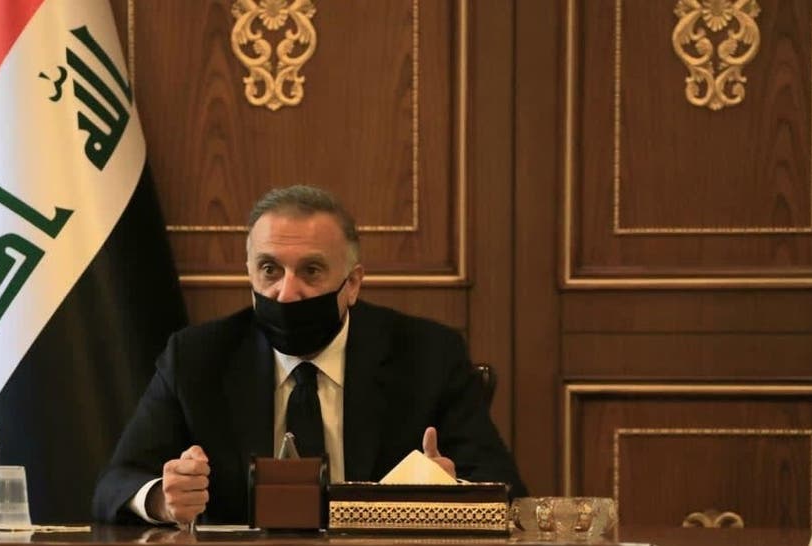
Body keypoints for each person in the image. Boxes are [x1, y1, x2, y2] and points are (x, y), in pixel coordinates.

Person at [92, 185, 527, 525]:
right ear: (249, 273)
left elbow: (507, 490)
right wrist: (164, 499)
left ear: (352, 283)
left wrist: (454, 495)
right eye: (269, 270)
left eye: (311, 271)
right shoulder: (196, 359)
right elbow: (115, 484)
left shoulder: (427, 355)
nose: (286, 292)